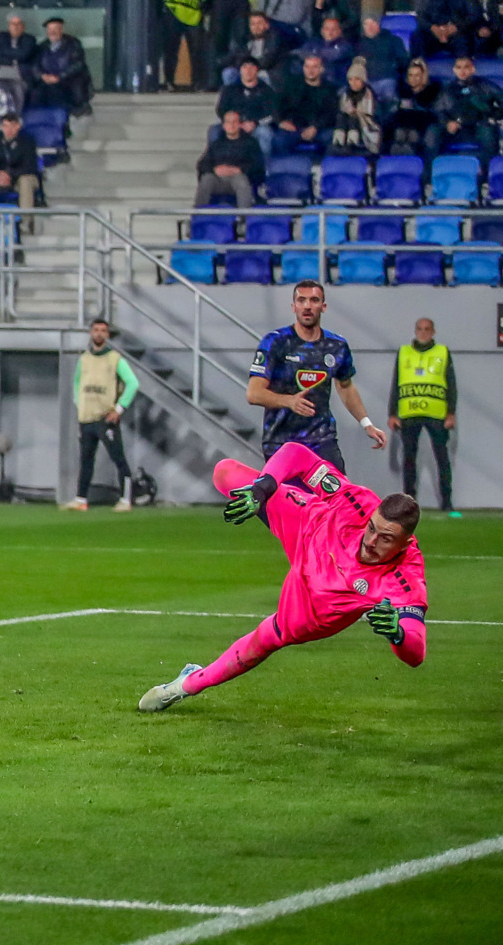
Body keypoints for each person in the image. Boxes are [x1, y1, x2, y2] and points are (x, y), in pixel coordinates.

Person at [139, 443, 427, 712]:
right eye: (372, 528)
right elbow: (296, 453)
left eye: (386, 538)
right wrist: (263, 489)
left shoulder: (405, 579)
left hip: (316, 600)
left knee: (265, 639)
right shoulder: (358, 502)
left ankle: (184, 685)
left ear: (405, 543)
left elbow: (416, 652)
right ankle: (262, 497)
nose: (372, 541)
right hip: (308, 525)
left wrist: (398, 635)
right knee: (225, 472)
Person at [248, 279, 386, 472]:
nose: (307, 306)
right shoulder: (275, 342)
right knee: (287, 501)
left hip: (322, 439)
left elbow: (345, 386)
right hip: (280, 441)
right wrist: (289, 401)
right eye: (301, 300)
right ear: (293, 306)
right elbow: (254, 394)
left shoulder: (336, 346)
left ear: (323, 306)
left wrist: (367, 424)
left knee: (338, 497)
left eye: (314, 300)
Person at [60, 318, 139, 513]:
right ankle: (81, 499)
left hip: (105, 417)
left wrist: (119, 409)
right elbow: (77, 384)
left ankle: (126, 499)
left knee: (118, 458)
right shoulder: (84, 359)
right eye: (96, 330)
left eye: (103, 330)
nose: (99, 334)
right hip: (86, 418)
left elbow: (133, 383)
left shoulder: (115, 359)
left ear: (107, 335)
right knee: (86, 460)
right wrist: (81, 405)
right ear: (90, 333)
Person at [388, 318, 459, 516]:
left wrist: (451, 412)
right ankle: (408, 504)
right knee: (409, 459)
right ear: (415, 330)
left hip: (436, 414)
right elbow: (396, 384)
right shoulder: (404, 353)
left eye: (427, 329)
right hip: (409, 413)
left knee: (442, 459)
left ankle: (447, 502)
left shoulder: (442, 353)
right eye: (420, 329)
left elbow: (451, 384)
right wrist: (392, 413)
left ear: (433, 332)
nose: (423, 332)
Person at [434, 55, 503, 161]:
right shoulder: (448, 89)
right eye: (459, 67)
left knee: (488, 133)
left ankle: (486, 173)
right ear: (454, 70)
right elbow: (439, 111)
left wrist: (493, 116)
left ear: (472, 69)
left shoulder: (485, 86)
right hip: (457, 127)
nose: (462, 71)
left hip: (481, 125)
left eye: (466, 67)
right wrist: (447, 123)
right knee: (433, 132)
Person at [196, 110, 266, 208]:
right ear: (224, 125)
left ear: (239, 124)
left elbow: (258, 166)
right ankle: (199, 217)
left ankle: (244, 218)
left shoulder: (251, 143)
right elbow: (202, 164)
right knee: (206, 179)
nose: (231, 125)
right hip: (218, 180)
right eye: (228, 122)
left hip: (239, 178)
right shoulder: (217, 144)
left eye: (234, 122)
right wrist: (215, 170)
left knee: (241, 180)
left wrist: (239, 170)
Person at [275, 55, 337, 154]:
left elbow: (331, 113)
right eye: (307, 67)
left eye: (314, 67)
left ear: (321, 69)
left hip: (319, 129)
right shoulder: (292, 86)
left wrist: (315, 127)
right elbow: (277, 106)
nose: (310, 70)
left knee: (333, 137)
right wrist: (281, 122)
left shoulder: (329, 89)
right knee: (279, 140)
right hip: (295, 128)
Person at [30, 17, 92, 115]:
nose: (52, 32)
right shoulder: (43, 46)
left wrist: (59, 77)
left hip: (68, 82)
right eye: (50, 29)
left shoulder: (73, 44)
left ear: (61, 30)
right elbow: (35, 65)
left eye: (55, 29)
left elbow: (78, 64)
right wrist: (42, 76)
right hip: (47, 82)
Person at [0, 113, 40, 211]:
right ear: (1, 127)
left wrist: (9, 174)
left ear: (18, 126)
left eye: (13, 126)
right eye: (6, 126)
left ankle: (25, 224)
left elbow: (29, 166)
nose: (9, 130)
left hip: (20, 177)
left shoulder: (28, 141)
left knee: (26, 181)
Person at [217, 58, 279, 156]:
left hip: (257, 126)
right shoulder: (230, 90)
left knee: (265, 133)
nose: (248, 70)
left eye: (251, 67)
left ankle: (262, 168)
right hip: (233, 124)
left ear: (257, 70)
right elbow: (221, 110)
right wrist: (235, 123)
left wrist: (255, 123)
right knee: (214, 131)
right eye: (245, 67)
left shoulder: (266, 91)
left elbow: (272, 114)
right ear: (240, 70)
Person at [385, 58, 442, 156]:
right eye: (410, 75)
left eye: (417, 75)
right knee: (398, 131)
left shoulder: (432, 91)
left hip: (423, 124)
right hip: (403, 124)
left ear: (423, 76)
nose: (413, 78)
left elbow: (434, 114)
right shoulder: (402, 92)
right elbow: (396, 112)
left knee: (413, 134)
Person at [0, 13, 39, 109]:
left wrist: (3, 52)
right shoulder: (1, 37)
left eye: (18, 24)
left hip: (19, 77)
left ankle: (16, 119)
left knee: (18, 91)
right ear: (9, 26)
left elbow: (23, 54)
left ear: (23, 27)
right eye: (13, 24)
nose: (15, 27)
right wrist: (11, 59)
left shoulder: (29, 39)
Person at [221, 12, 287, 85]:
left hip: (265, 71)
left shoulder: (274, 39)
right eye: (253, 24)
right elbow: (236, 55)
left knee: (262, 76)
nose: (256, 27)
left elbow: (268, 60)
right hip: (246, 70)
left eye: (259, 23)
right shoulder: (245, 39)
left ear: (267, 25)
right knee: (228, 73)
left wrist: (251, 66)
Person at [332, 59, 381, 153]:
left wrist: (357, 113)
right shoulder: (345, 94)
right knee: (341, 116)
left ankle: (353, 142)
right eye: (350, 79)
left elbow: (374, 116)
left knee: (353, 118)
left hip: (367, 127)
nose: (353, 83)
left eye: (357, 79)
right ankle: (339, 142)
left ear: (363, 80)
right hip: (346, 124)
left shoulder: (370, 95)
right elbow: (343, 109)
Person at [162, 0, 208, 90]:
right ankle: (169, 80)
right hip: (174, 9)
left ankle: (197, 82)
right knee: (171, 48)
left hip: (192, 11)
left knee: (196, 50)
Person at [298, 16, 354, 85]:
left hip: (335, 82)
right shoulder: (314, 41)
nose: (330, 32)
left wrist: (315, 54)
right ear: (322, 30)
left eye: (334, 29)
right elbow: (303, 52)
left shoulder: (345, 45)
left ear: (340, 31)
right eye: (327, 29)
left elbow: (333, 55)